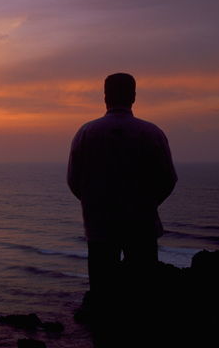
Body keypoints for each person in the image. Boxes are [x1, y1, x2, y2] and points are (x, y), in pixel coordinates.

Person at [67, 73, 177, 308]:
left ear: (105, 96)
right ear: (133, 97)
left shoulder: (86, 132)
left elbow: (74, 181)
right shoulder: (151, 132)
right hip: (142, 226)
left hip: (99, 227)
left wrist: (95, 203)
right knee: (142, 297)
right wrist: (148, 204)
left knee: (103, 297)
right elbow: (168, 179)